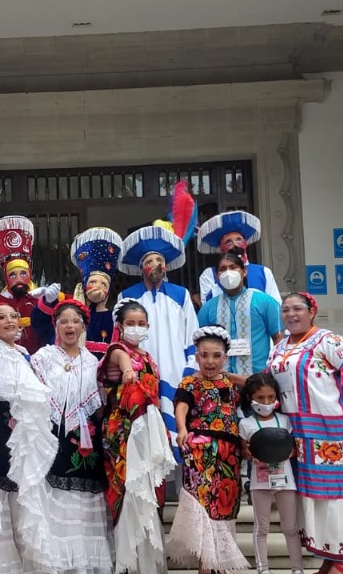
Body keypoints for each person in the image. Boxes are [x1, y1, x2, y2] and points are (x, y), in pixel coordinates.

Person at [267, 292, 343, 574]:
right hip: (298, 430)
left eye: (297, 309)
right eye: (285, 310)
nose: (291, 314)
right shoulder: (279, 348)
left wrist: (336, 401)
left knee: (339, 494)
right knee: (313, 496)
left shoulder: (329, 340)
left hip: (331, 429)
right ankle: (330, 558)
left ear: (312, 312)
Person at [0, 301, 60, 574]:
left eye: (13, 316)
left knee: (26, 493)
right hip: (4, 428)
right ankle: (4, 572)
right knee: (5, 494)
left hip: (26, 431)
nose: (10, 321)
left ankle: (30, 566)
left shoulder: (23, 353)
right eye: (2, 318)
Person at [30, 300, 114, 574]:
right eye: (63, 321)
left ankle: (80, 568)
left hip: (84, 437)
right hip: (50, 433)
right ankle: (53, 565)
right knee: (53, 499)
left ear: (83, 326)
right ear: (55, 326)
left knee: (81, 503)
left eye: (75, 321)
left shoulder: (94, 362)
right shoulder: (42, 358)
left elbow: (100, 404)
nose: (69, 326)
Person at [118, 182, 200, 446]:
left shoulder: (181, 294)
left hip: (177, 370)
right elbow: (119, 340)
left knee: (178, 434)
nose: (156, 265)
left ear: (167, 266)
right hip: (140, 372)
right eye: (150, 261)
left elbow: (192, 336)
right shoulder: (127, 296)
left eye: (160, 261)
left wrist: (190, 369)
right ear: (142, 267)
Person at [99, 299, 173, 574]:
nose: (137, 328)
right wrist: (129, 373)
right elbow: (125, 367)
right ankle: (133, 566)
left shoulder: (150, 356)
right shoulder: (118, 351)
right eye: (131, 323)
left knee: (153, 493)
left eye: (142, 323)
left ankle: (153, 563)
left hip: (150, 429)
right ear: (119, 326)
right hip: (125, 430)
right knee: (131, 492)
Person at [171, 326, 250, 574]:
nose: (210, 361)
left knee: (224, 505)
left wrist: (227, 374)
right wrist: (182, 430)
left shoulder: (228, 383)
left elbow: (254, 384)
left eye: (216, 356)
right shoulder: (189, 383)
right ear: (196, 356)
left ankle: (219, 565)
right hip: (200, 450)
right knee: (203, 505)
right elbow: (180, 406)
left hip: (229, 450)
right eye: (204, 355)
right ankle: (204, 569)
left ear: (225, 358)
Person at [237, 371, 311, 574]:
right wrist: (251, 453)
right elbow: (243, 452)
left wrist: (288, 452)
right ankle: (263, 572)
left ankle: (298, 571)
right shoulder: (246, 424)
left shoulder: (286, 420)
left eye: (270, 397)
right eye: (260, 398)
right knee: (262, 528)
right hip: (259, 482)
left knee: (291, 527)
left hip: (285, 480)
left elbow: (295, 448)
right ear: (251, 397)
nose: (266, 402)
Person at [197, 251, 284, 382]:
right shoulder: (208, 308)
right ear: (217, 275)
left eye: (232, 267)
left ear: (244, 272)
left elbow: (279, 339)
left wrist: (274, 373)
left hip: (259, 382)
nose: (228, 272)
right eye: (222, 269)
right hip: (218, 382)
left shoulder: (265, 302)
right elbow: (200, 345)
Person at [0, 216, 61, 353]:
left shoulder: (47, 296)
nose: (18, 279)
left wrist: (49, 303)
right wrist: (3, 338)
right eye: (12, 275)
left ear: (30, 274)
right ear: (6, 278)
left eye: (23, 274)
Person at [196, 210, 282, 305]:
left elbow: (276, 305)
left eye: (239, 240)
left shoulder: (263, 272)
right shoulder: (210, 274)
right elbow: (208, 307)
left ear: (245, 243)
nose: (235, 245)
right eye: (229, 242)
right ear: (220, 248)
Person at [69, 227, 124, 357]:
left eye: (103, 284)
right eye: (92, 282)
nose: (98, 287)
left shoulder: (114, 318)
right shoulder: (72, 314)